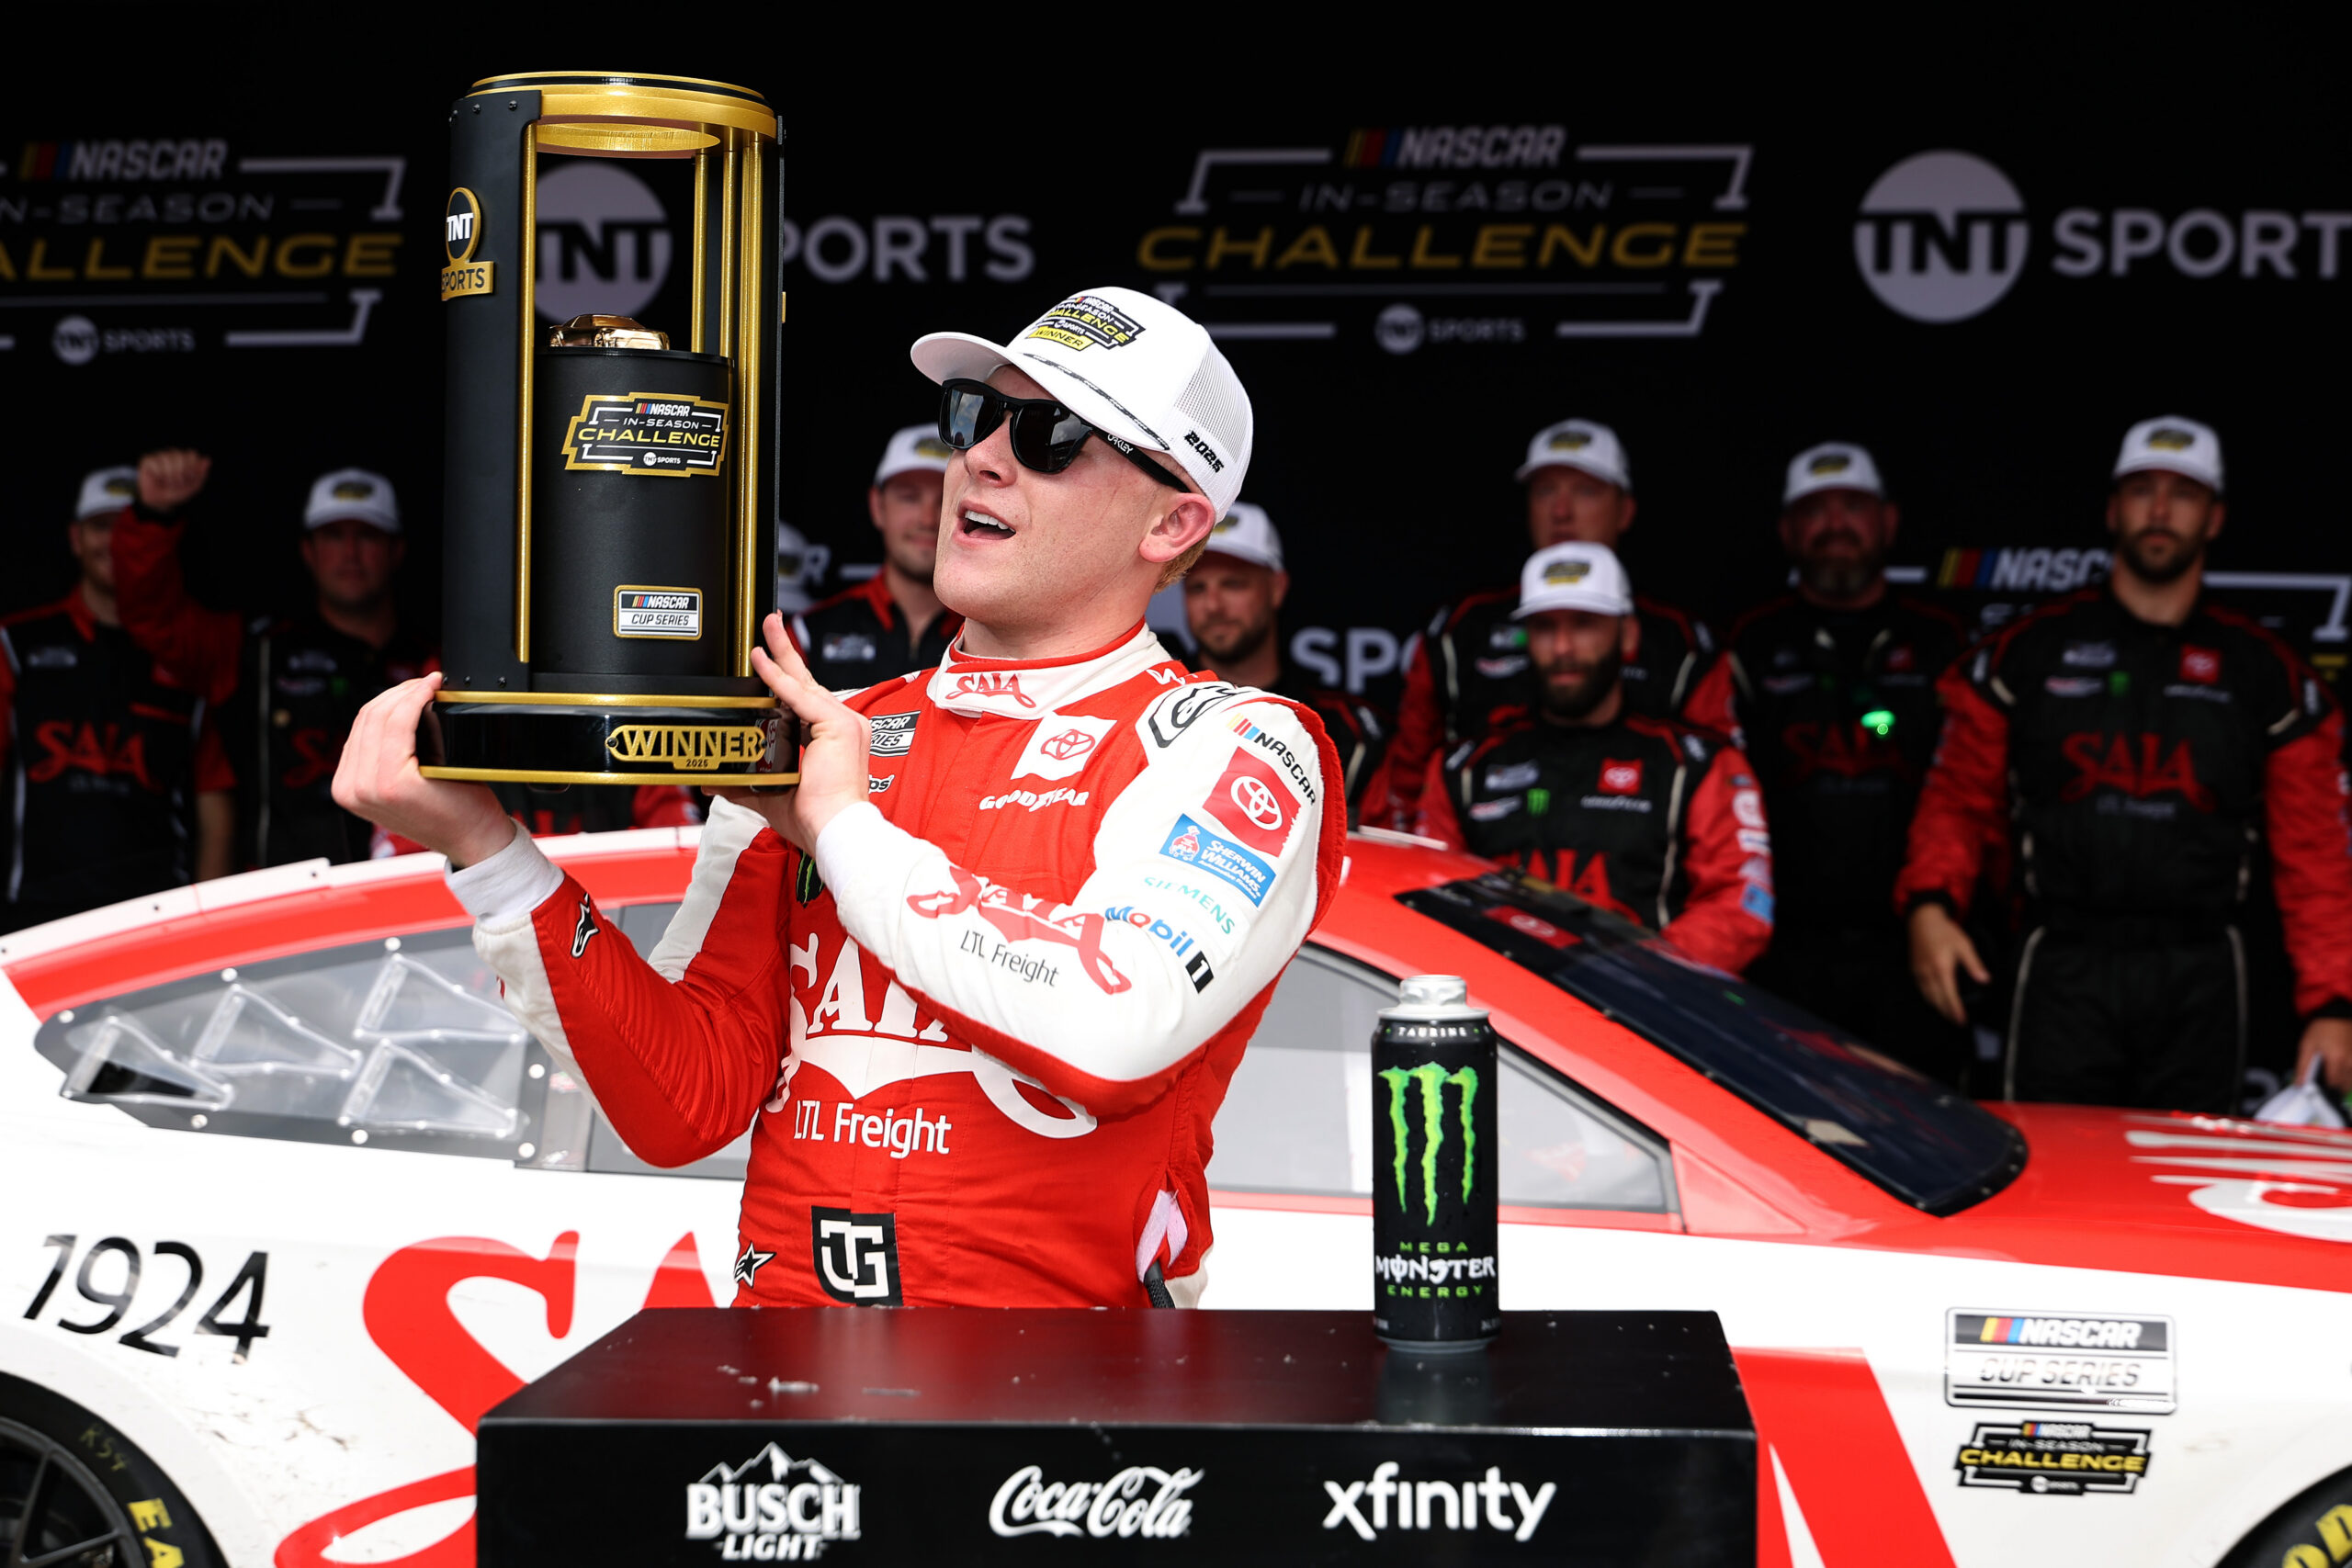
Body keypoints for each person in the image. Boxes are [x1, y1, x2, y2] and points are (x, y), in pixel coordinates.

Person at [333, 286, 1344, 1310]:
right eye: (973, 415)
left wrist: (846, 832)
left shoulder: (1236, 747)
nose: (980, 459)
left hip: (1066, 1412)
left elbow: (1113, 1034)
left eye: (1048, 435)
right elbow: (685, 1099)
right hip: (788, 1389)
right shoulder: (824, 729)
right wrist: (488, 853)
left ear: (1173, 523)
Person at [1898, 416, 2352, 1111]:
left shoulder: (2268, 676)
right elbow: (1958, 799)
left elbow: (2317, 853)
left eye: (2184, 493)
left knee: (2189, 1189)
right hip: (2061, 961)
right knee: (2045, 1180)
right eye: (2143, 490)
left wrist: (2335, 1000)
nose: (2161, 510)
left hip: (2201, 971)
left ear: (2216, 517)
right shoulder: (2026, 655)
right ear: (2113, 509)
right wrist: (1931, 903)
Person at [1687, 443, 1970, 1078]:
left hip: (1912, 944)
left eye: (1853, 506)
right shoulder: (1748, 643)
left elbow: (1965, 794)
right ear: (1787, 530)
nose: (1835, 523)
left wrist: (1937, 903)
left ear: (1889, 522)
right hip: (1783, 947)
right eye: (1815, 510)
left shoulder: (1942, 639)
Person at [1423, 542, 1772, 976]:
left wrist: (1639, 975)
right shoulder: (1463, 770)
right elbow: (1427, 902)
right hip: (1501, 1006)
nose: (1564, 647)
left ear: (1627, 635)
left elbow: (1742, 904)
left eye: (1584, 624)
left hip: (1642, 1011)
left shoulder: (1695, 766)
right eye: (1545, 627)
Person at [1379, 418, 1712, 835]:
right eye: (1545, 491)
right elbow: (1405, 778)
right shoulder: (1463, 629)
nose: (1561, 511)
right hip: (1491, 847)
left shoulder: (1677, 640)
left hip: (1634, 859)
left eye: (1585, 491)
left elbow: (1714, 782)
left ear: (1625, 510)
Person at [111, 457, 435, 866]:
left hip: (404, 893)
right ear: (308, 551)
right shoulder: (255, 649)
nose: (351, 553)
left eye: (367, 536)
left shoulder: (434, 663)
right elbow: (152, 618)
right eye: (334, 536)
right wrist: (150, 517)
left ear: (396, 551)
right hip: (285, 902)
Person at [1, 466, 233, 931]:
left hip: (157, 917)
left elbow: (215, 800)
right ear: (74, 538)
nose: (115, 542)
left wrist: (210, 926)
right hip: (36, 916)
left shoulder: (188, 652)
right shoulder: (18, 643)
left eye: (129, 527)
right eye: (102, 527)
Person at [1183, 502, 1389, 821]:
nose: (1213, 605)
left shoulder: (1351, 732)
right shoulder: (1150, 714)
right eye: (1197, 588)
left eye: (1233, 584)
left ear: (1277, 589)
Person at [790, 423, 962, 691]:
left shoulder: (1000, 636)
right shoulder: (809, 633)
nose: (928, 519)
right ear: (877, 506)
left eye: (945, 499)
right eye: (909, 498)